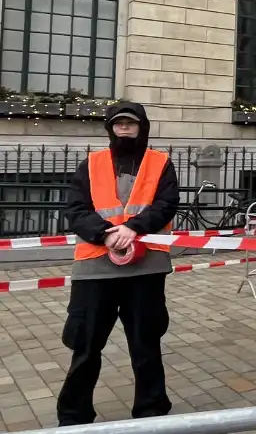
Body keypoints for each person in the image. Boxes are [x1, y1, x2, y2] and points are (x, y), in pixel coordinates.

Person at [57, 101, 179, 425]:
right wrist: (106, 234)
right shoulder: (91, 163)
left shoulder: (160, 163)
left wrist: (133, 228)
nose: (124, 128)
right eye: (118, 123)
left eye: (131, 123)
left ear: (142, 126)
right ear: (111, 128)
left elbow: (167, 204)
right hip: (95, 267)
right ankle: (73, 416)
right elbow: (76, 208)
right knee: (85, 347)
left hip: (146, 267)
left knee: (146, 346)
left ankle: (152, 412)